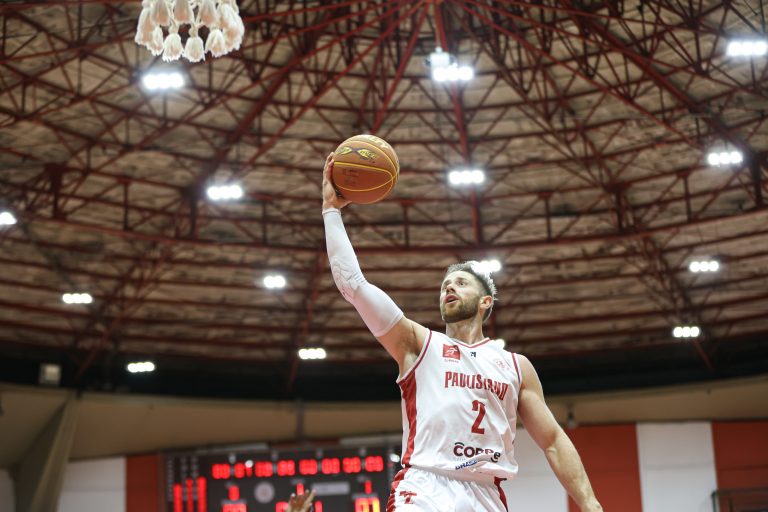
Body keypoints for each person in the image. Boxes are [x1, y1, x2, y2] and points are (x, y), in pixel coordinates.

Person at [321, 154, 602, 512]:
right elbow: (354, 285)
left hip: (486, 493)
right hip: (424, 487)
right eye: (445, 285)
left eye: (461, 283)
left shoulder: (516, 367)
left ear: (486, 302)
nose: (449, 287)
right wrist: (331, 210)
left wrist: (591, 504)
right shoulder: (419, 344)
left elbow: (553, 441)